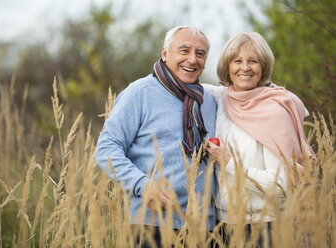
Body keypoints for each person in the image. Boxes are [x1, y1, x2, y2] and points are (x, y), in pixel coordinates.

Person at [95, 26, 218, 247]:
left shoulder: (207, 101)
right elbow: (106, 149)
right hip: (151, 226)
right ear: (164, 53)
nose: (192, 59)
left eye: (200, 54)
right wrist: (142, 184)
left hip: (204, 228)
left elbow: (246, 94)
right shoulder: (140, 92)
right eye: (184, 51)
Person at [203, 32, 315, 246]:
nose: (244, 67)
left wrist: (228, 163)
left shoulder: (274, 112)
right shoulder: (222, 99)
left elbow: (282, 186)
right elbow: (184, 85)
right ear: (227, 66)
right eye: (237, 61)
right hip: (222, 225)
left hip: (264, 227)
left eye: (253, 61)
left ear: (263, 67)